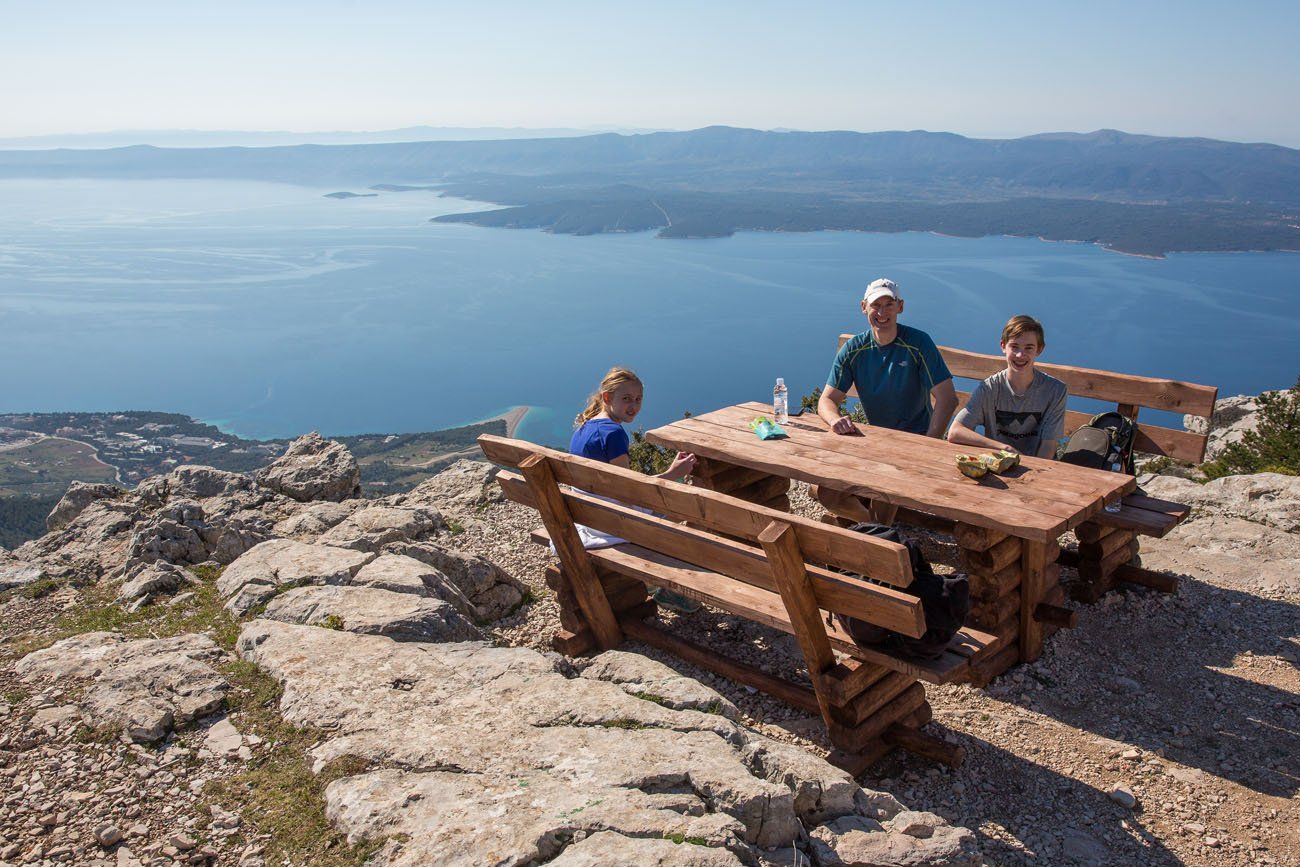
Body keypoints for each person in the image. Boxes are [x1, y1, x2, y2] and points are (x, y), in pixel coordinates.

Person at [815, 277, 958, 524]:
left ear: (900, 306)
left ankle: (871, 533)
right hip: (872, 443)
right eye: (875, 305)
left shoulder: (917, 343)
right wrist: (835, 419)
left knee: (881, 499)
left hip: (912, 443)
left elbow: (948, 399)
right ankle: (872, 529)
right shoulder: (854, 348)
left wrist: (929, 445)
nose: (882, 312)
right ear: (863, 307)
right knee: (824, 492)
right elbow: (826, 400)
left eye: (888, 304)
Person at [570, 366, 700, 612]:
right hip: (612, 523)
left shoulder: (585, 427)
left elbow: (619, 485)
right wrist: (674, 475)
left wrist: (670, 473)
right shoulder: (614, 434)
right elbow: (629, 493)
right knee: (688, 508)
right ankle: (669, 586)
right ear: (607, 398)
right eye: (626, 399)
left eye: (638, 399)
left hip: (589, 515)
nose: (634, 406)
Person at [947, 314, 1067, 459]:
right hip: (999, 463)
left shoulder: (1055, 391)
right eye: (1014, 347)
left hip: (1039, 467)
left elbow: (1048, 446)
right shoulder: (989, 389)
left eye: (1029, 348)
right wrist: (1005, 448)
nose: (1020, 354)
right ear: (1003, 346)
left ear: (1039, 349)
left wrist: (1036, 473)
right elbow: (955, 432)